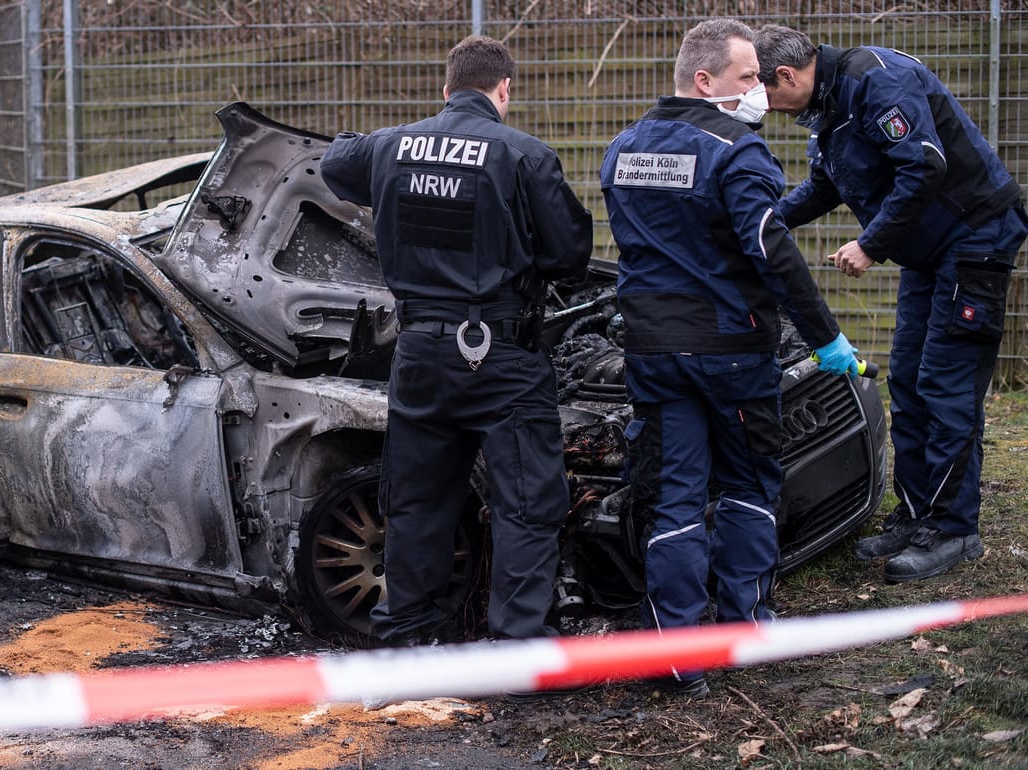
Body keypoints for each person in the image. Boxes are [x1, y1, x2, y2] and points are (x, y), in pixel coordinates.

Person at [600, 19, 858, 698]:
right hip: (731, 352)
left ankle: (681, 660)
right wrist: (826, 336)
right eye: (748, 78)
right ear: (705, 81)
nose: (761, 92)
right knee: (748, 488)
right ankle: (742, 635)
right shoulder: (736, 151)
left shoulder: (622, 149)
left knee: (675, 498)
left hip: (652, 350)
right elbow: (772, 250)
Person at [321, 35, 594, 649]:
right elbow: (569, 255)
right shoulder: (525, 155)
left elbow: (335, 162)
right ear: (504, 91)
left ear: (445, 92)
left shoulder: (391, 147)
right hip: (503, 354)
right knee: (526, 503)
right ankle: (518, 651)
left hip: (420, 352)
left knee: (417, 501)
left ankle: (402, 643)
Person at [753, 25, 1027, 583]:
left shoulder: (877, 80)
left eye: (766, 94)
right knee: (906, 377)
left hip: (973, 237)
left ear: (786, 75)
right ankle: (918, 513)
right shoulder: (829, 108)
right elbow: (826, 187)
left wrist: (871, 244)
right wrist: (762, 222)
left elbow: (924, 164)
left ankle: (954, 530)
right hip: (928, 252)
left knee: (945, 384)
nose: (765, 108)